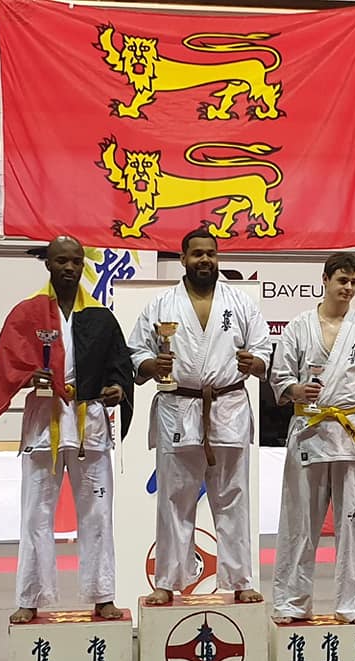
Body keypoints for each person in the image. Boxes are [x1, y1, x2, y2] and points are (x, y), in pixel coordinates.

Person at [0, 235, 134, 624]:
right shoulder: (27, 313)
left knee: (98, 513)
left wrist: (117, 388)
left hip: (89, 424)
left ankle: (102, 595)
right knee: (36, 513)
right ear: (48, 264)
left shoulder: (100, 316)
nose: (69, 267)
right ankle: (30, 597)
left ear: (84, 265)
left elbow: (120, 365)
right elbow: (8, 363)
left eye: (76, 261)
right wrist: (28, 375)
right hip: (43, 423)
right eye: (62, 260)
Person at [128, 228, 271, 604]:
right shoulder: (162, 305)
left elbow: (263, 348)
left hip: (228, 406)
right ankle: (167, 580)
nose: (205, 260)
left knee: (233, 497)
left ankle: (240, 579)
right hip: (178, 407)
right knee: (174, 499)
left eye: (211, 253)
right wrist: (151, 365)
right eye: (197, 254)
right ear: (183, 259)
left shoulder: (239, 303)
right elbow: (136, 352)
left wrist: (255, 362)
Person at [269, 252, 355, 625]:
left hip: (352, 432)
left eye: (354, 282)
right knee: (299, 521)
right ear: (324, 279)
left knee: (353, 522)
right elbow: (279, 375)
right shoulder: (298, 327)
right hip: (310, 430)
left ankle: (350, 602)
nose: (348, 288)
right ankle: (292, 601)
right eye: (342, 280)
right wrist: (295, 390)